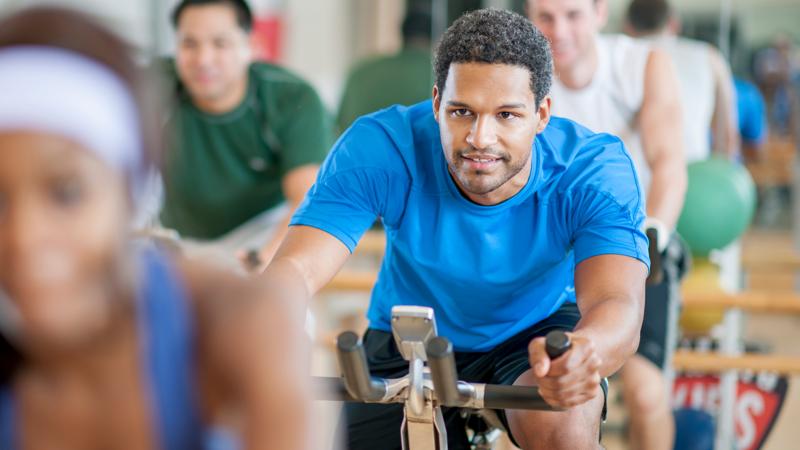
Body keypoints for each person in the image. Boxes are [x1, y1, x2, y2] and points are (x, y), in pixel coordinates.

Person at [262, 9, 649, 450]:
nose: (480, 137)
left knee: (564, 430)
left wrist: (584, 354)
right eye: (461, 111)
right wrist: (262, 322)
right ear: (435, 103)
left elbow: (617, 303)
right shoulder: (383, 146)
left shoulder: (592, 170)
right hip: (409, 337)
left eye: (507, 115)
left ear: (541, 114)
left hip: (535, 332)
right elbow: (297, 268)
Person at [0, 7, 309, 449]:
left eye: (66, 193)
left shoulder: (237, 324)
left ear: (130, 187)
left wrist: (260, 258)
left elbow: (303, 199)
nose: (24, 237)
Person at [526, 1, 687, 449]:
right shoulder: (524, 74)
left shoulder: (641, 65)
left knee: (646, 392)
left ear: (600, 13)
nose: (560, 30)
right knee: (534, 393)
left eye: (573, 15)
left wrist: (654, 230)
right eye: (546, 17)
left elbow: (668, 162)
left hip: (631, 242)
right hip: (552, 250)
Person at [159, 0, 333, 268]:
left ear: (251, 46)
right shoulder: (152, 85)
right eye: (189, 44)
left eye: (220, 44)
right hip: (177, 241)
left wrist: (263, 259)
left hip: (263, 237)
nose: (203, 60)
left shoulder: (291, 98)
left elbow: (305, 198)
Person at [625, 0, 740, 162]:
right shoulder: (710, 57)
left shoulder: (621, 59)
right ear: (674, 23)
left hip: (634, 178)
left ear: (628, 26)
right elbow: (728, 137)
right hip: (694, 174)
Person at [336, 9, 434, 132]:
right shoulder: (441, 74)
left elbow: (339, 125)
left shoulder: (361, 71)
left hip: (358, 148)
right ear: (437, 37)